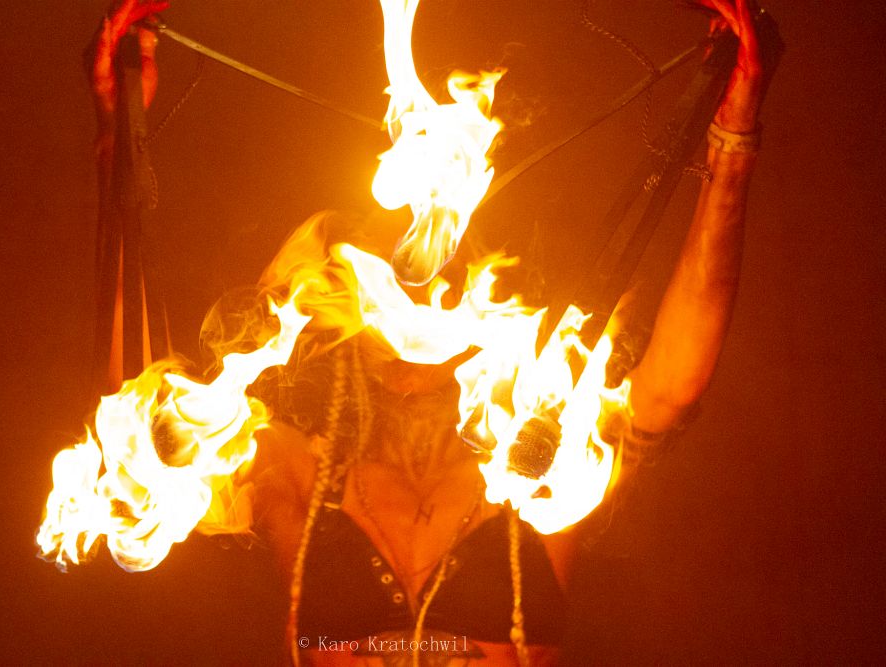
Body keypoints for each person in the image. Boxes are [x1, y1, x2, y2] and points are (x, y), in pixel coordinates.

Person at [88, 1, 770, 664]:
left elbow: (669, 388)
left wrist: (733, 140)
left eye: (435, 283)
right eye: (390, 282)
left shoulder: (542, 445)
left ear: (479, 310)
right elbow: (137, 422)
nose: (412, 300)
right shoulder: (295, 473)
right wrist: (122, 139)